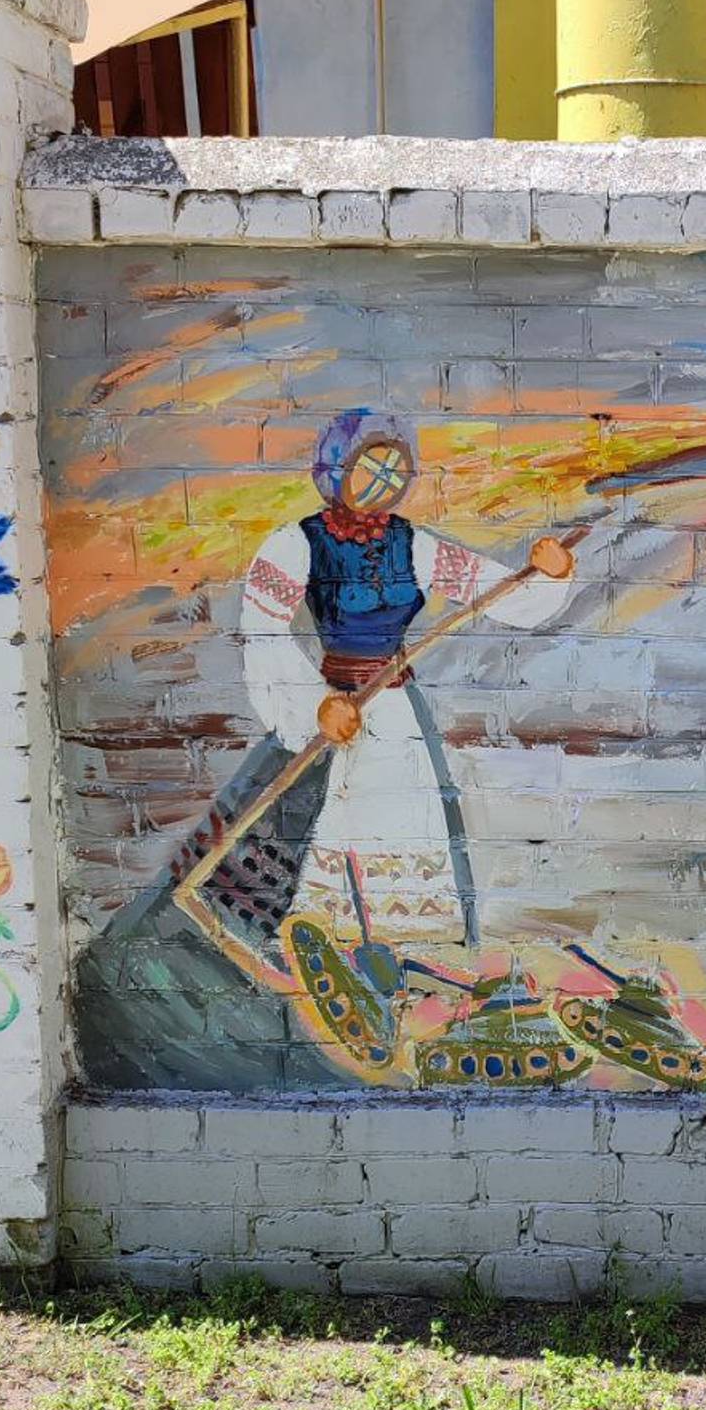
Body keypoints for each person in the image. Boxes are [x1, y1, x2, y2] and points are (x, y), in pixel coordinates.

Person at [215, 409, 575, 1066]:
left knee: (403, 829)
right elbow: (263, 632)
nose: (382, 481)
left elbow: (495, 591)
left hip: (395, 713)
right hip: (329, 715)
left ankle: (399, 975)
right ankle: (327, 965)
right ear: (336, 469)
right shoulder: (295, 545)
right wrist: (313, 706)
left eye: (393, 469)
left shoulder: (414, 544)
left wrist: (545, 574)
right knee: (320, 835)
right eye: (368, 467)